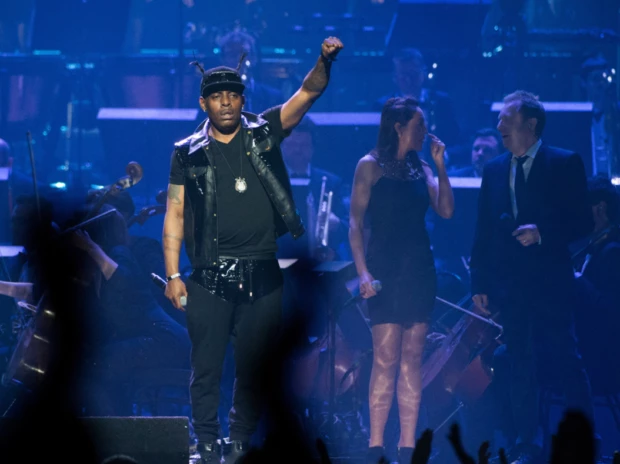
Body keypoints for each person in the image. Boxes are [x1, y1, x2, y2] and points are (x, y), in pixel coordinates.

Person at [162, 37, 344, 464]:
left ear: (243, 99)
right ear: (204, 103)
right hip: (208, 273)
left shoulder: (265, 132)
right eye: (216, 97)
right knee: (207, 367)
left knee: (253, 366)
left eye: (233, 95)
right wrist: (172, 274)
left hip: (261, 269)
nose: (226, 103)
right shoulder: (186, 153)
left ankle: (240, 441)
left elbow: (307, 93)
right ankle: (208, 444)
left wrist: (324, 60)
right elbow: (175, 212)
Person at [470, 90, 594, 463]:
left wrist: (542, 233)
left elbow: (583, 222)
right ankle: (526, 442)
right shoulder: (494, 170)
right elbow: (483, 232)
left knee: (564, 357)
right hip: (511, 286)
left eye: (507, 118)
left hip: (551, 283)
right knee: (520, 360)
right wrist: (480, 283)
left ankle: (584, 436)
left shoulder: (564, 163)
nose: (499, 125)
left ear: (531, 124)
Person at [349, 97, 454, 464]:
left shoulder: (421, 167)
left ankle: (407, 449)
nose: (424, 131)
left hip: (419, 270)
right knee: (385, 357)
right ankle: (376, 446)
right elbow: (355, 223)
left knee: (412, 357)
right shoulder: (369, 166)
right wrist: (362, 271)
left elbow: (446, 210)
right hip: (384, 269)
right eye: (419, 125)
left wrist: (440, 165)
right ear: (399, 127)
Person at [279, 115, 348, 261]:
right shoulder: (269, 179)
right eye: (292, 144)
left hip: (321, 262)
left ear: (312, 148)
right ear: (282, 146)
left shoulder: (331, 182)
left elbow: (348, 227)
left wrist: (336, 224)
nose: (298, 150)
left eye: (304, 145)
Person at [375, 48, 460, 150]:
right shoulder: (382, 106)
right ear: (394, 77)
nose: (409, 80)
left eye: (414, 74)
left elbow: (454, 139)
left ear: (424, 73)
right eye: (404, 75)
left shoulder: (442, 102)